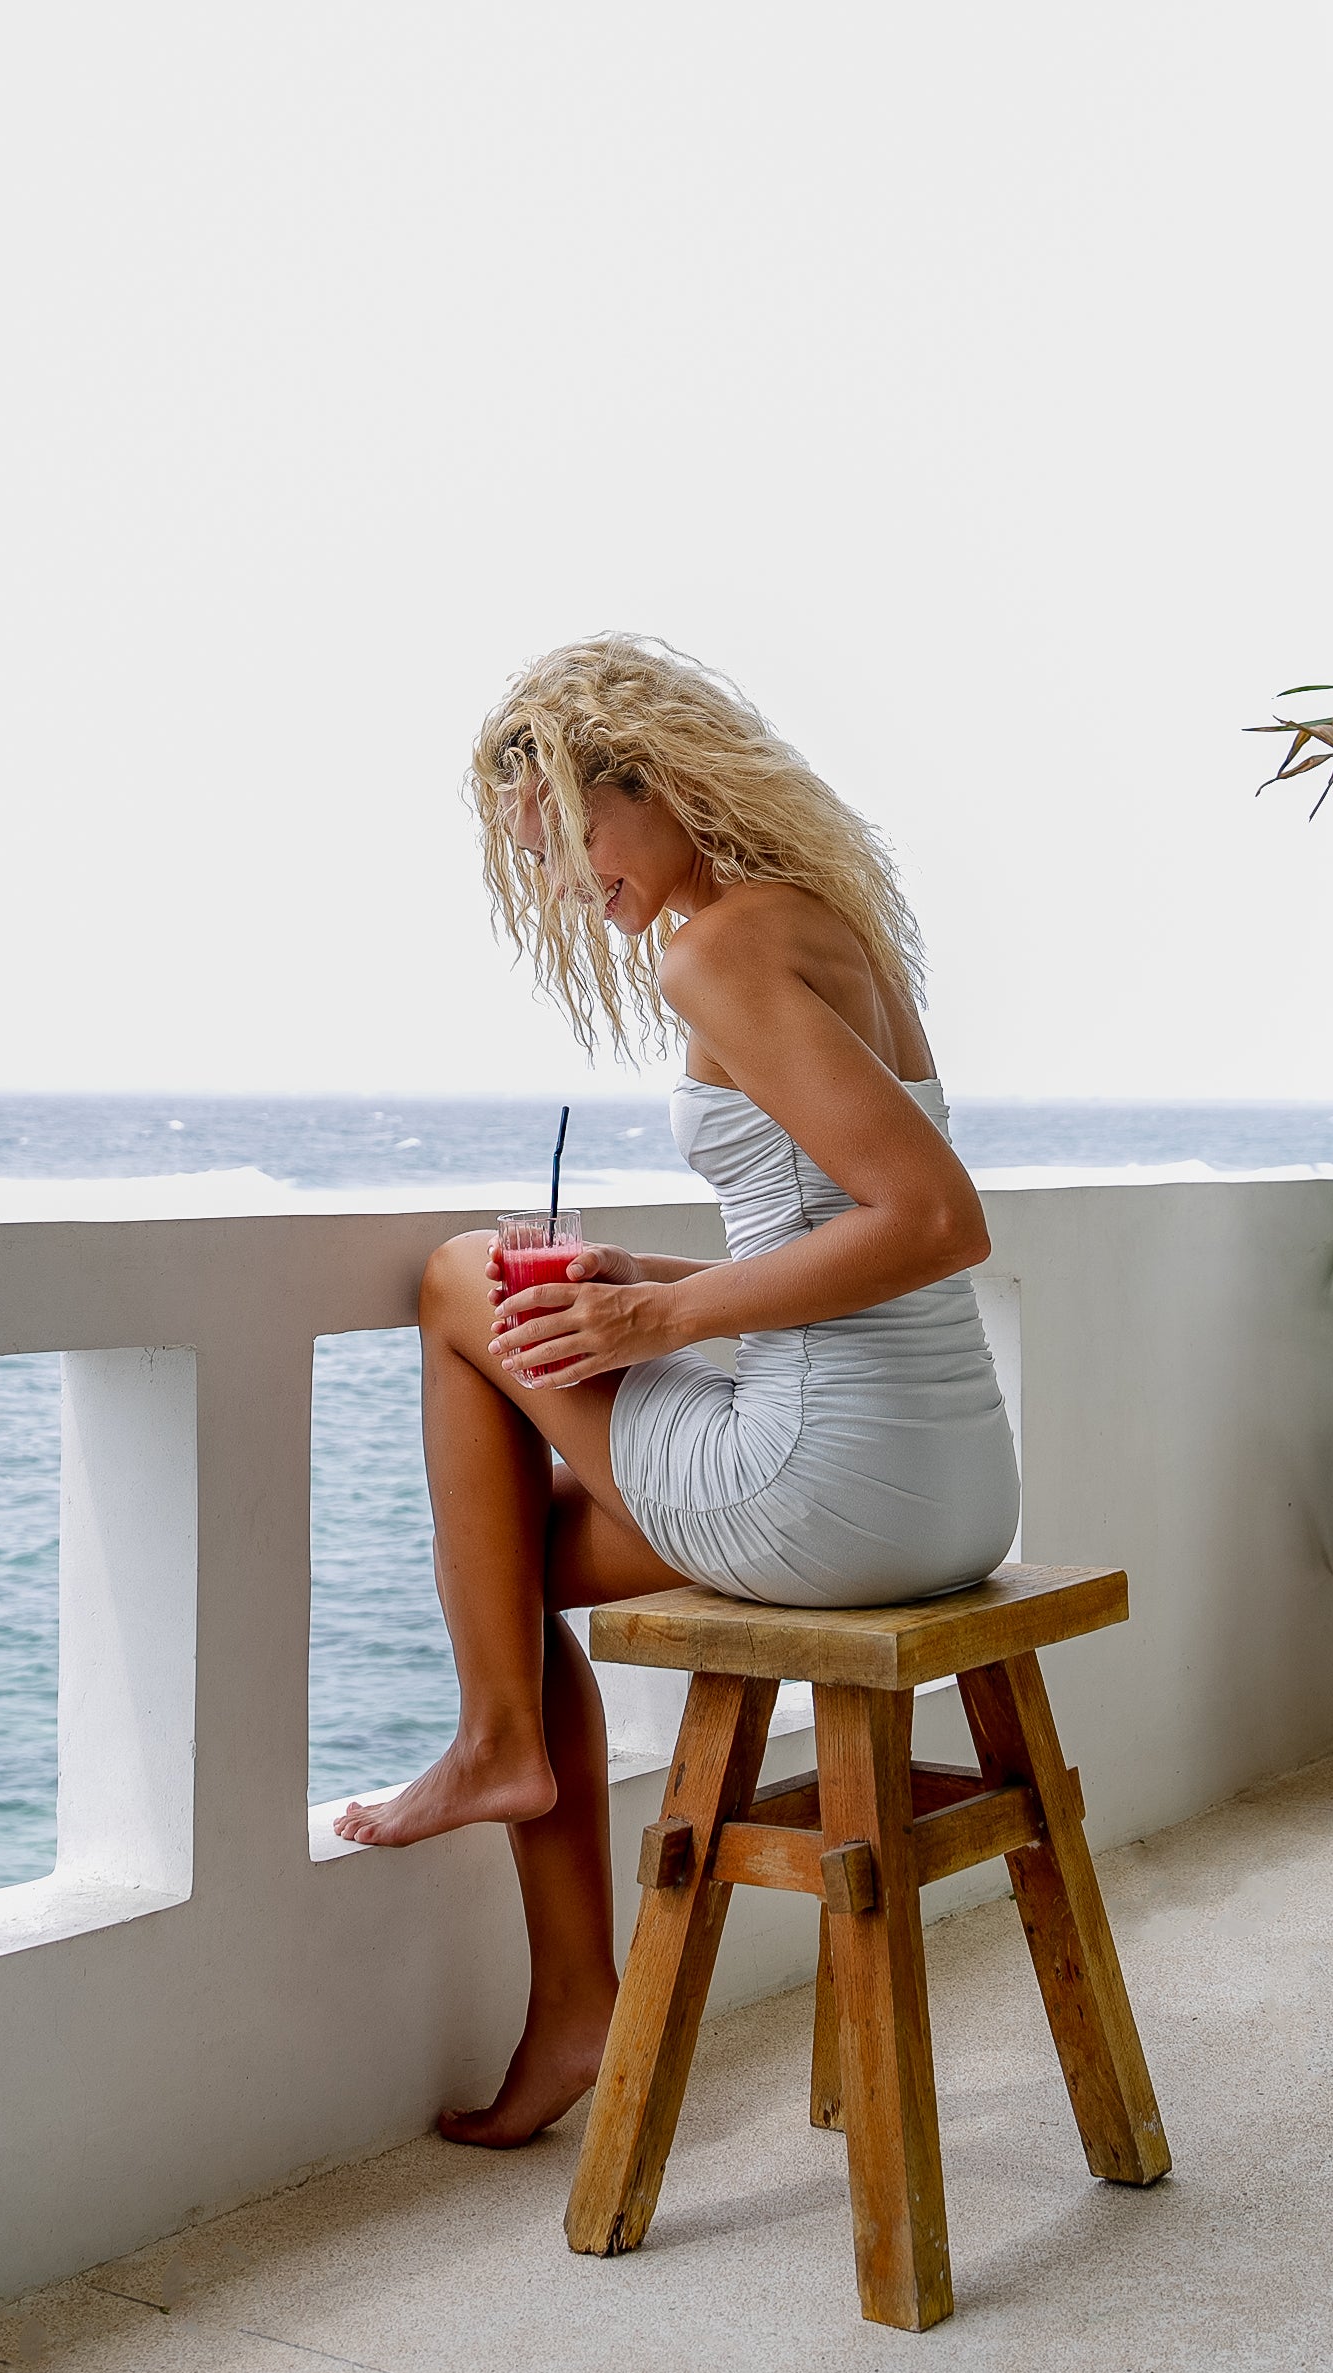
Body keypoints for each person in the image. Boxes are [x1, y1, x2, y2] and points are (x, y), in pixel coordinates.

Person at [333, 635, 1019, 2145]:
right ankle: (566, 1976)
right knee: (504, 1574)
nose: (581, 887)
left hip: (834, 1480)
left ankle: (505, 1762)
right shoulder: (821, 922)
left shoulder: (717, 945)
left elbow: (936, 1220)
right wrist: (646, 1278)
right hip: (947, 1478)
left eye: (578, 840)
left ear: (656, 780)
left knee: (460, 1278)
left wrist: (666, 1314)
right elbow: (835, 1214)